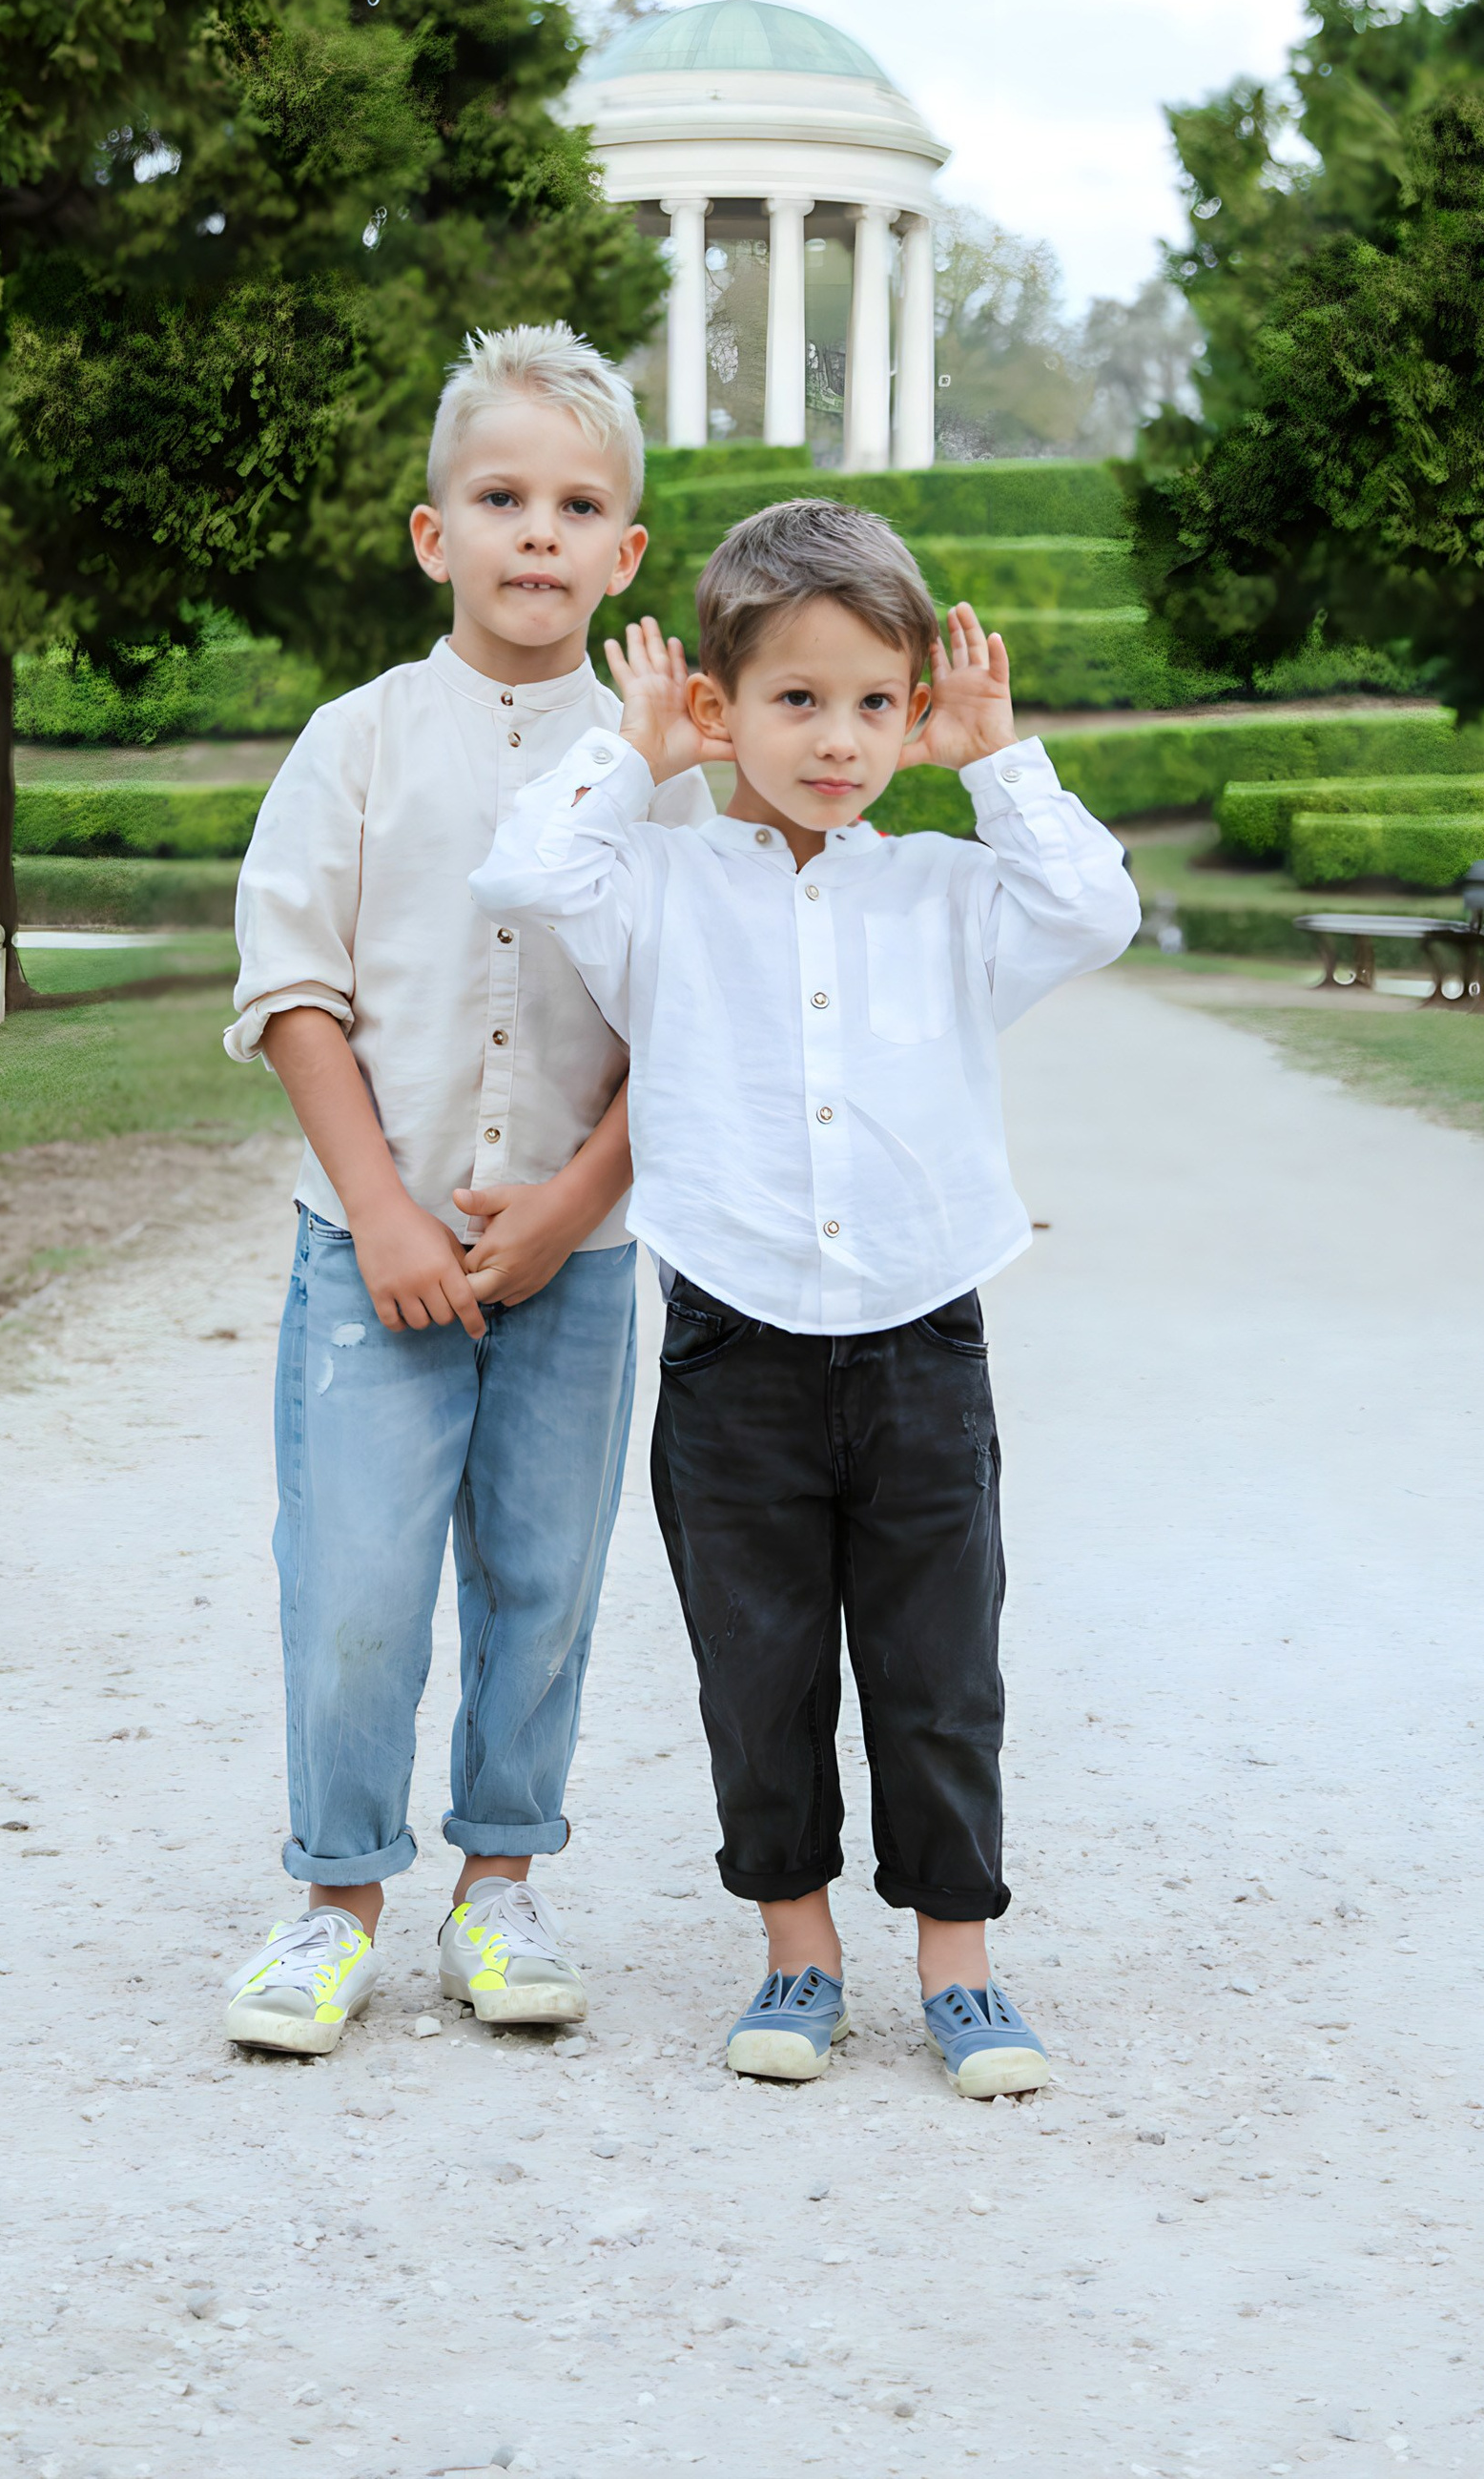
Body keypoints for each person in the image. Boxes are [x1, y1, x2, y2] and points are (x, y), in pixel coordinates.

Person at [471, 496, 1140, 2099]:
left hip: (920, 1337)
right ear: (721, 706)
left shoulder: (949, 892)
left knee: (939, 1669)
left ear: (912, 713)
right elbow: (523, 864)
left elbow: (1096, 908)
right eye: (795, 698)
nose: (838, 739)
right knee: (758, 1667)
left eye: (873, 702)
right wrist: (637, 749)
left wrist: (995, 759)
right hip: (736, 1343)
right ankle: (799, 1953)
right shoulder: (654, 884)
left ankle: (961, 1966)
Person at [217, 325, 711, 2056]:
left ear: (625, 553)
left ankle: (499, 1885)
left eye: (576, 506)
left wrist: (574, 1201)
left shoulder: (665, 772)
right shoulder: (356, 741)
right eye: (502, 497)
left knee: (544, 1580)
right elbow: (293, 987)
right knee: (355, 1581)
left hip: (576, 1260)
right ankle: (335, 1900)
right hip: (373, 1252)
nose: (537, 532)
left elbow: (692, 1019)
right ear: (436, 533)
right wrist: (382, 1207)